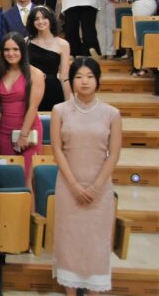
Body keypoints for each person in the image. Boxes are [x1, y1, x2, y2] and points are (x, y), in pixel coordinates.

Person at [51, 57, 123, 294]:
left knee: (96, 241)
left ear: (98, 80)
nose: (84, 81)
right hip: (68, 186)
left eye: (90, 76)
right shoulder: (59, 110)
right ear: (71, 81)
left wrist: (94, 187)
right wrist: (74, 185)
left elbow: (113, 154)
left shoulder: (112, 113)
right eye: (79, 77)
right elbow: (57, 150)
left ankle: (94, 290)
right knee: (69, 239)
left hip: (100, 188)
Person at [0, 34, 45, 189]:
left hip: (29, 131)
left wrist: (23, 134)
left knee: (26, 180)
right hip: (4, 131)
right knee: (8, 179)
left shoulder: (35, 74)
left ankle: (28, 206)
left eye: (15, 49)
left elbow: (33, 107)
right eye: (7, 49)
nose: (11, 53)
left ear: (23, 50)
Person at [27, 6, 72, 111]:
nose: (40, 21)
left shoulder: (63, 44)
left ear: (50, 19)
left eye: (44, 18)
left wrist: (69, 102)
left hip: (53, 89)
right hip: (31, 88)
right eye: (36, 19)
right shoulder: (26, 42)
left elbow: (64, 77)